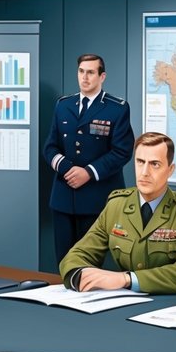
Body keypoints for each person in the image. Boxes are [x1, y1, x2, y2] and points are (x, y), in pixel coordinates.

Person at [58, 132, 176, 294]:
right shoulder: (116, 206)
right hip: (122, 303)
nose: (144, 172)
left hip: (168, 305)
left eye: (155, 164)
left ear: (170, 170)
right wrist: (81, 275)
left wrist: (127, 279)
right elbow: (78, 254)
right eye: (140, 162)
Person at [44, 53, 135, 263]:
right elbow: (50, 146)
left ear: (102, 77)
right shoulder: (63, 105)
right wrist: (66, 168)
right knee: (64, 261)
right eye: (81, 71)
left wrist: (88, 172)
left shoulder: (117, 108)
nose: (85, 77)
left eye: (91, 72)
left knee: (89, 263)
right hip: (63, 197)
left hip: (96, 198)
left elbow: (122, 151)